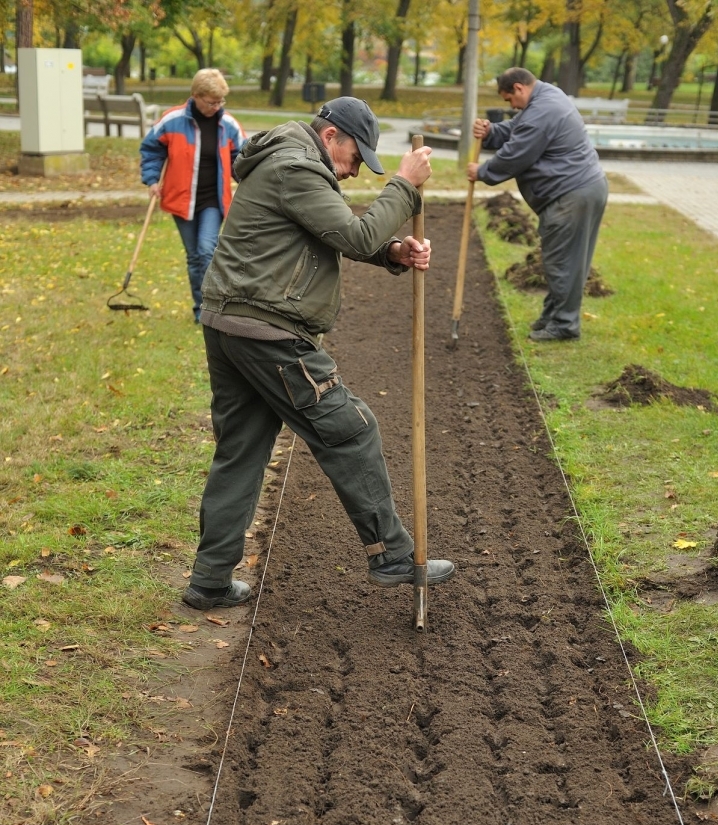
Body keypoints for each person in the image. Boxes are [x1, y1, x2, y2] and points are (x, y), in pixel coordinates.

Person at [181, 96, 455, 610]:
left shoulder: (290, 161)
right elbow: (354, 234)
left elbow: (330, 230)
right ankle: (393, 555)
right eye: (356, 158)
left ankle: (210, 580)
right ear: (332, 137)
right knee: (351, 429)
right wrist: (403, 183)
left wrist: (394, 251)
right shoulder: (294, 166)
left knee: (241, 451)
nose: (354, 172)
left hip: (231, 322)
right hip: (267, 330)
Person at [468, 66, 608, 342]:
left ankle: (565, 325)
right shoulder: (545, 97)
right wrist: (492, 131)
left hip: (571, 195)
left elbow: (517, 153)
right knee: (566, 260)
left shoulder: (543, 109)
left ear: (518, 88)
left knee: (562, 262)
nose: (510, 105)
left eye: (509, 99)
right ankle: (554, 316)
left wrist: (482, 172)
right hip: (580, 190)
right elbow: (518, 128)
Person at [140, 68, 245, 322]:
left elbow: (241, 158)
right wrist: (152, 180)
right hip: (181, 198)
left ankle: (210, 308)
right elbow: (151, 149)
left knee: (206, 250)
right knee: (194, 257)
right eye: (211, 102)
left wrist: (247, 179)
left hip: (213, 199)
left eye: (220, 101)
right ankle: (200, 308)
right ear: (196, 96)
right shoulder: (172, 119)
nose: (216, 107)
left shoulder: (227, 124)